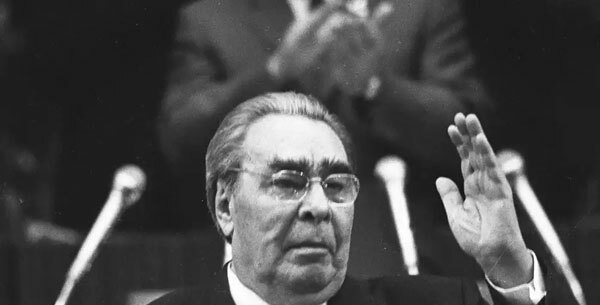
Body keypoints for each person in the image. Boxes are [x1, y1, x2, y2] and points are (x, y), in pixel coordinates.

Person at [82, 92, 600, 305]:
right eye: (288, 182)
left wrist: (509, 266)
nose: (317, 206)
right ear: (225, 205)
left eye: (335, 185)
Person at [158, 0, 493, 276]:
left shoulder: (420, 8)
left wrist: (374, 86)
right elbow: (180, 139)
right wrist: (275, 70)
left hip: (395, 255)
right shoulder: (211, 16)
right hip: (257, 259)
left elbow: (466, 130)